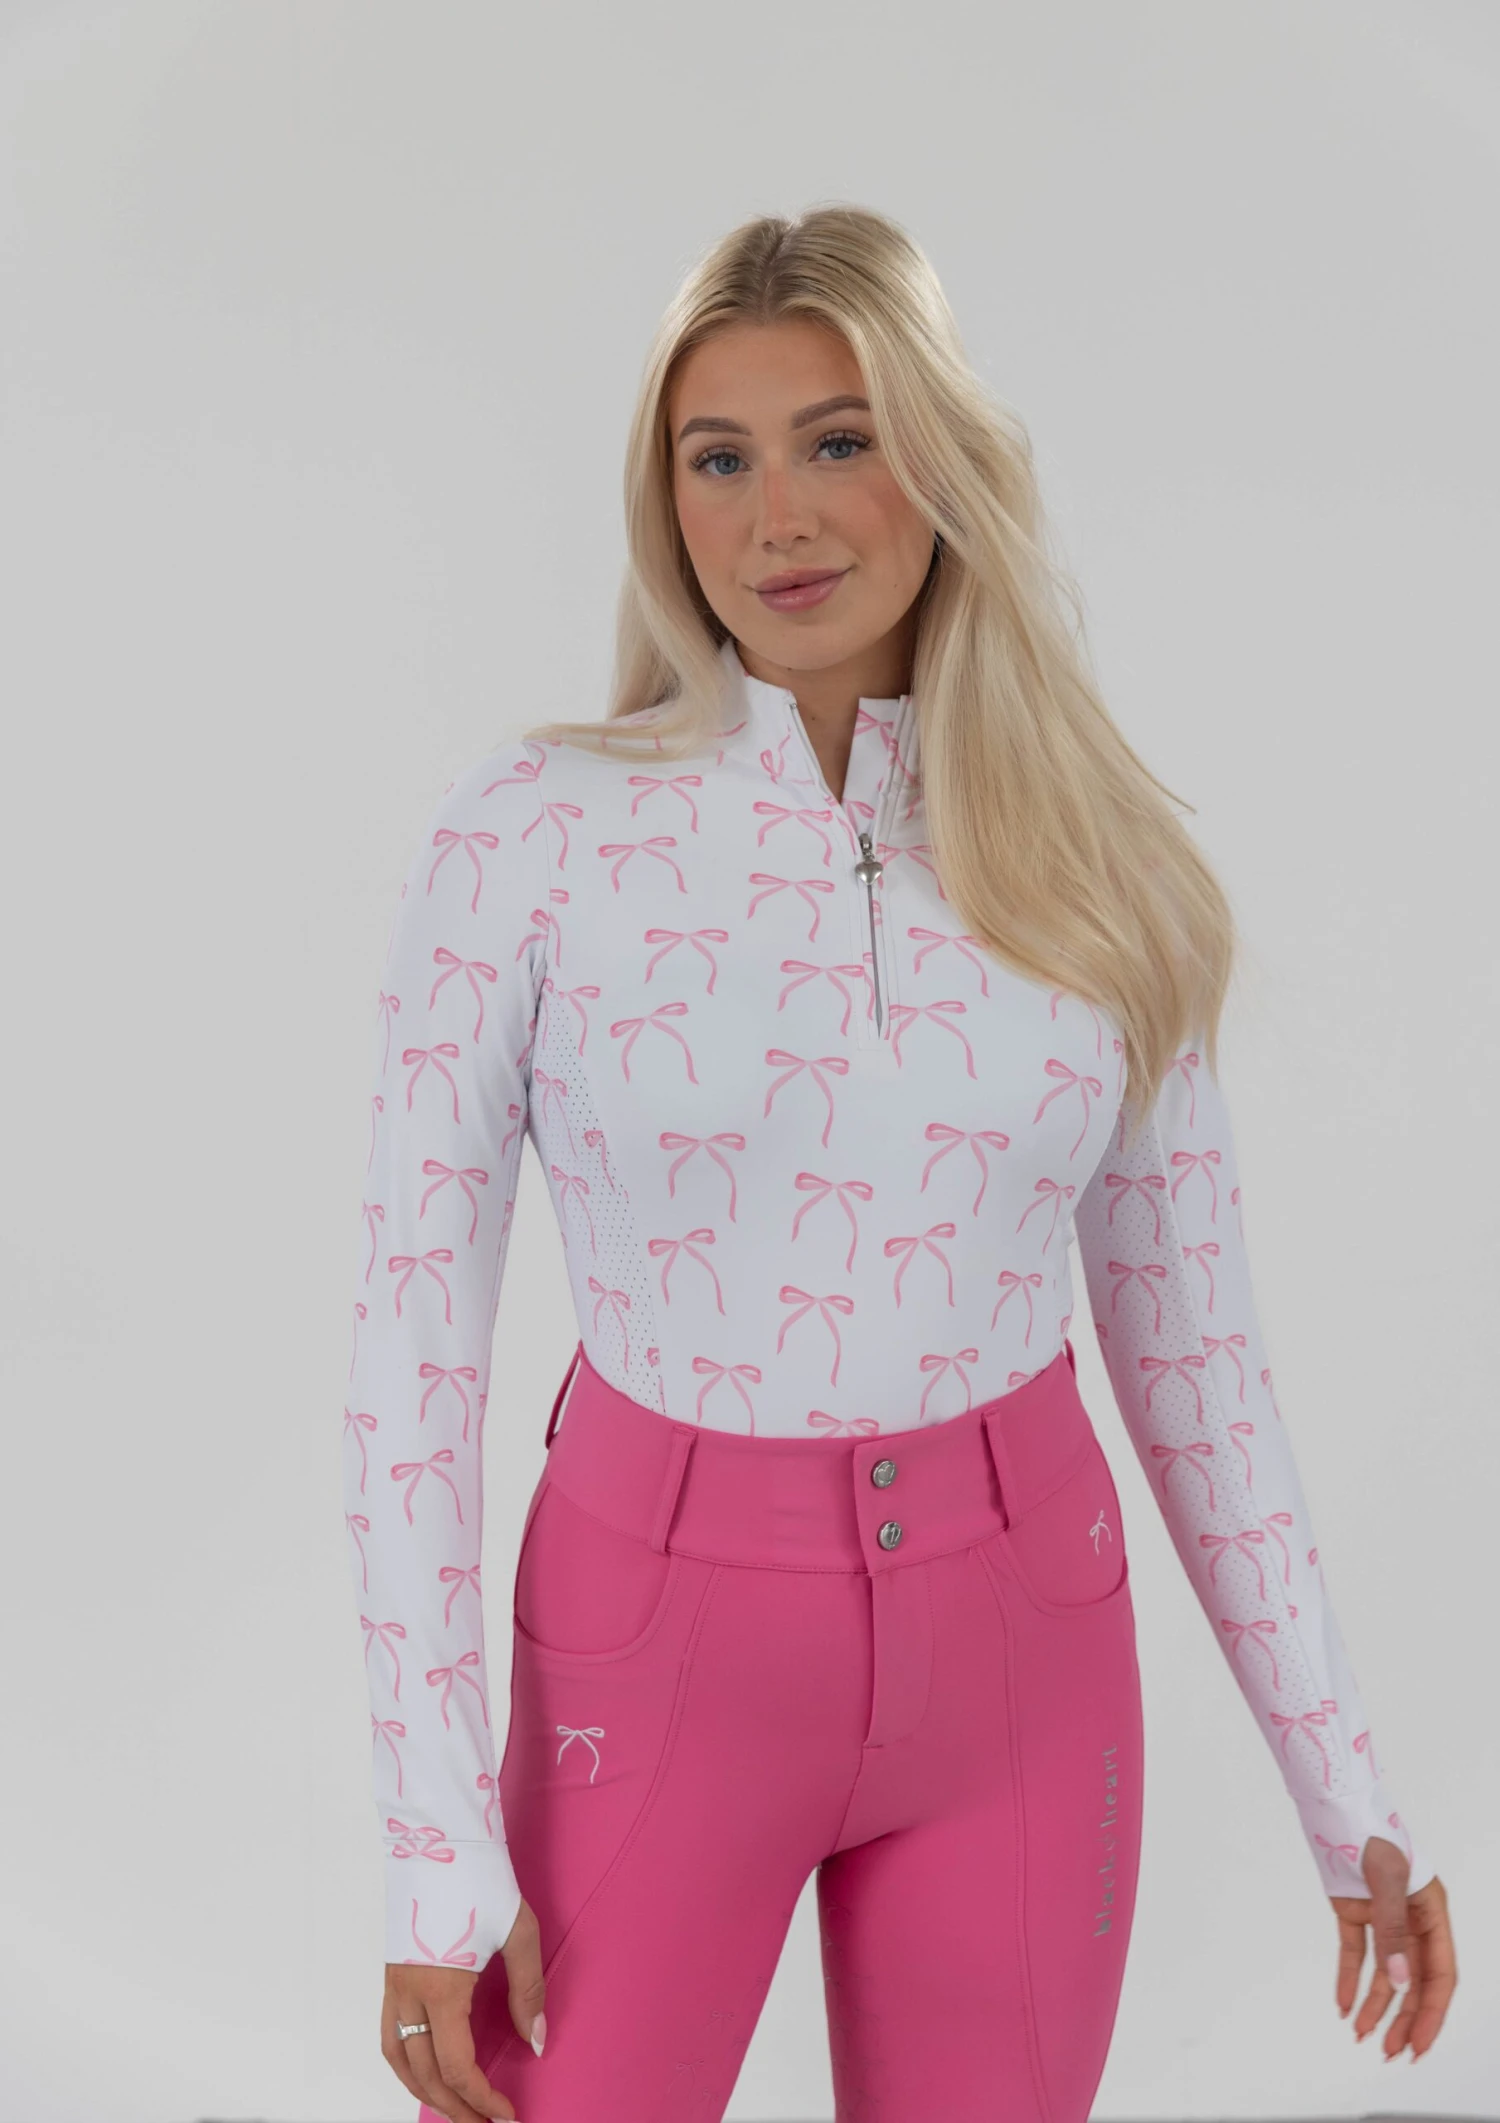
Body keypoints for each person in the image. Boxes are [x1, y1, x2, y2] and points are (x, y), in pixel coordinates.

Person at [340, 203, 1456, 2123]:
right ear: (664, 500)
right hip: (652, 1654)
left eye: (838, 440)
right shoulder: (530, 841)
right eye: (720, 458)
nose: (778, 516)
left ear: (940, 457)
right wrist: (434, 1839)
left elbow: (1200, 1364)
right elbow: (407, 1362)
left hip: (1025, 1652)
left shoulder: (1097, 859)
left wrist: (1342, 1781)